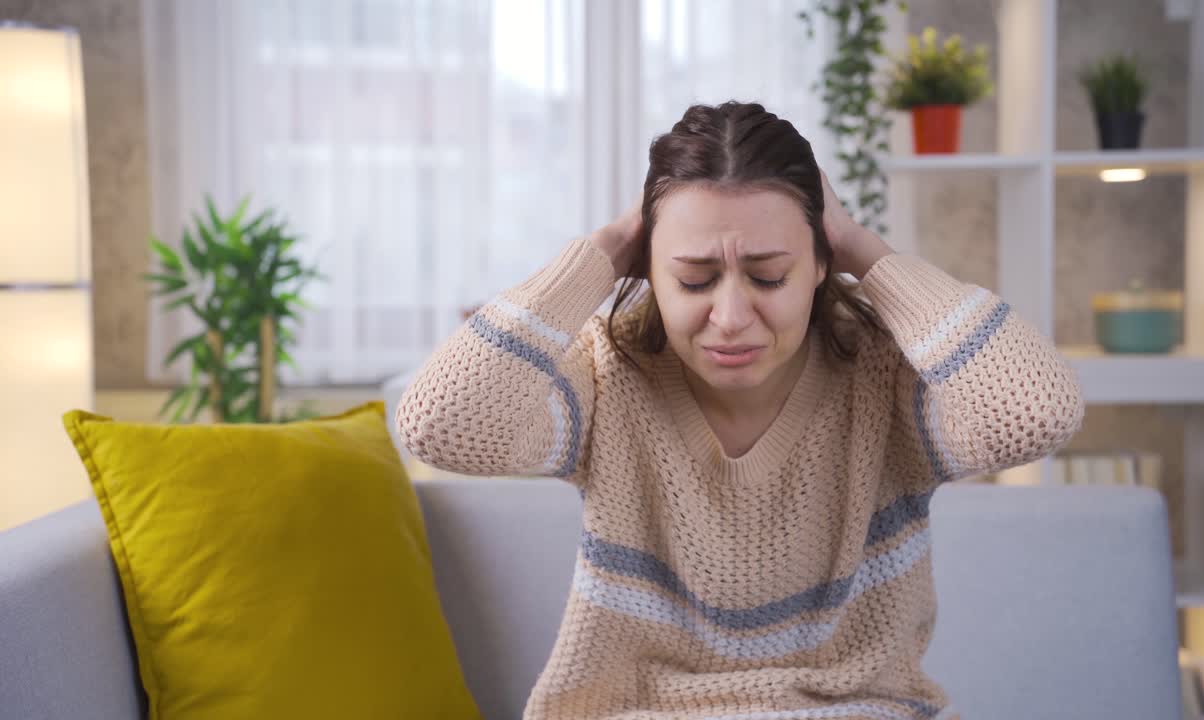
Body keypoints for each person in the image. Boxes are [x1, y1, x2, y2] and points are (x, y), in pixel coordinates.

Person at [396, 101, 1085, 720]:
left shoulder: (886, 383)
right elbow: (438, 425)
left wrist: (869, 254)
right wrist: (599, 256)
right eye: (693, 279)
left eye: (768, 276)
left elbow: (1036, 412)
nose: (730, 317)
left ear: (821, 264)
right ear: (648, 271)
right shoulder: (607, 380)